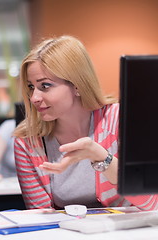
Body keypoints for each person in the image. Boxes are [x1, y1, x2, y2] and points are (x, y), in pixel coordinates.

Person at [13, 35, 158, 211]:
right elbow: (40, 218)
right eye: (30, 87)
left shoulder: (120, 120)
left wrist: (101, 157)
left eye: (45, 86)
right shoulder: (27, 141)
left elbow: (151, 202)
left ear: (77, 85)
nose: (34, 98)